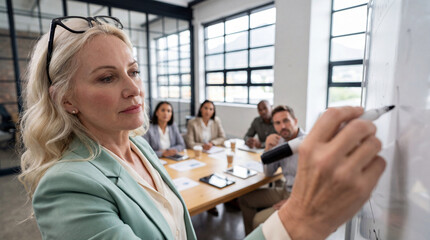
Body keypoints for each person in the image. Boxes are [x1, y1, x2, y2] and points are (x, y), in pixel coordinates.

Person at [18, 16, 385, 240]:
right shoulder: (66, 186)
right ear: (66, 99)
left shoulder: (139, 147)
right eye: (107, 78)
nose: (133, 88)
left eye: (133, 71)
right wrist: (299, 220)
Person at [239, 105, 305, 234]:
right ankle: (251, 236)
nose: (283, 126)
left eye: (286, 120)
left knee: (258, 220)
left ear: (295, 121)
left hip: (300, 198)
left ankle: (259, 233)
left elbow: (318, 184)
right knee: (244, 199)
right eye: (278, 123)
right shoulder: (279, 142)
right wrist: (268, 149)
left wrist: (291, 202)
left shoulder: (308, 142)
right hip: (286, 190)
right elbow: (269, 173)